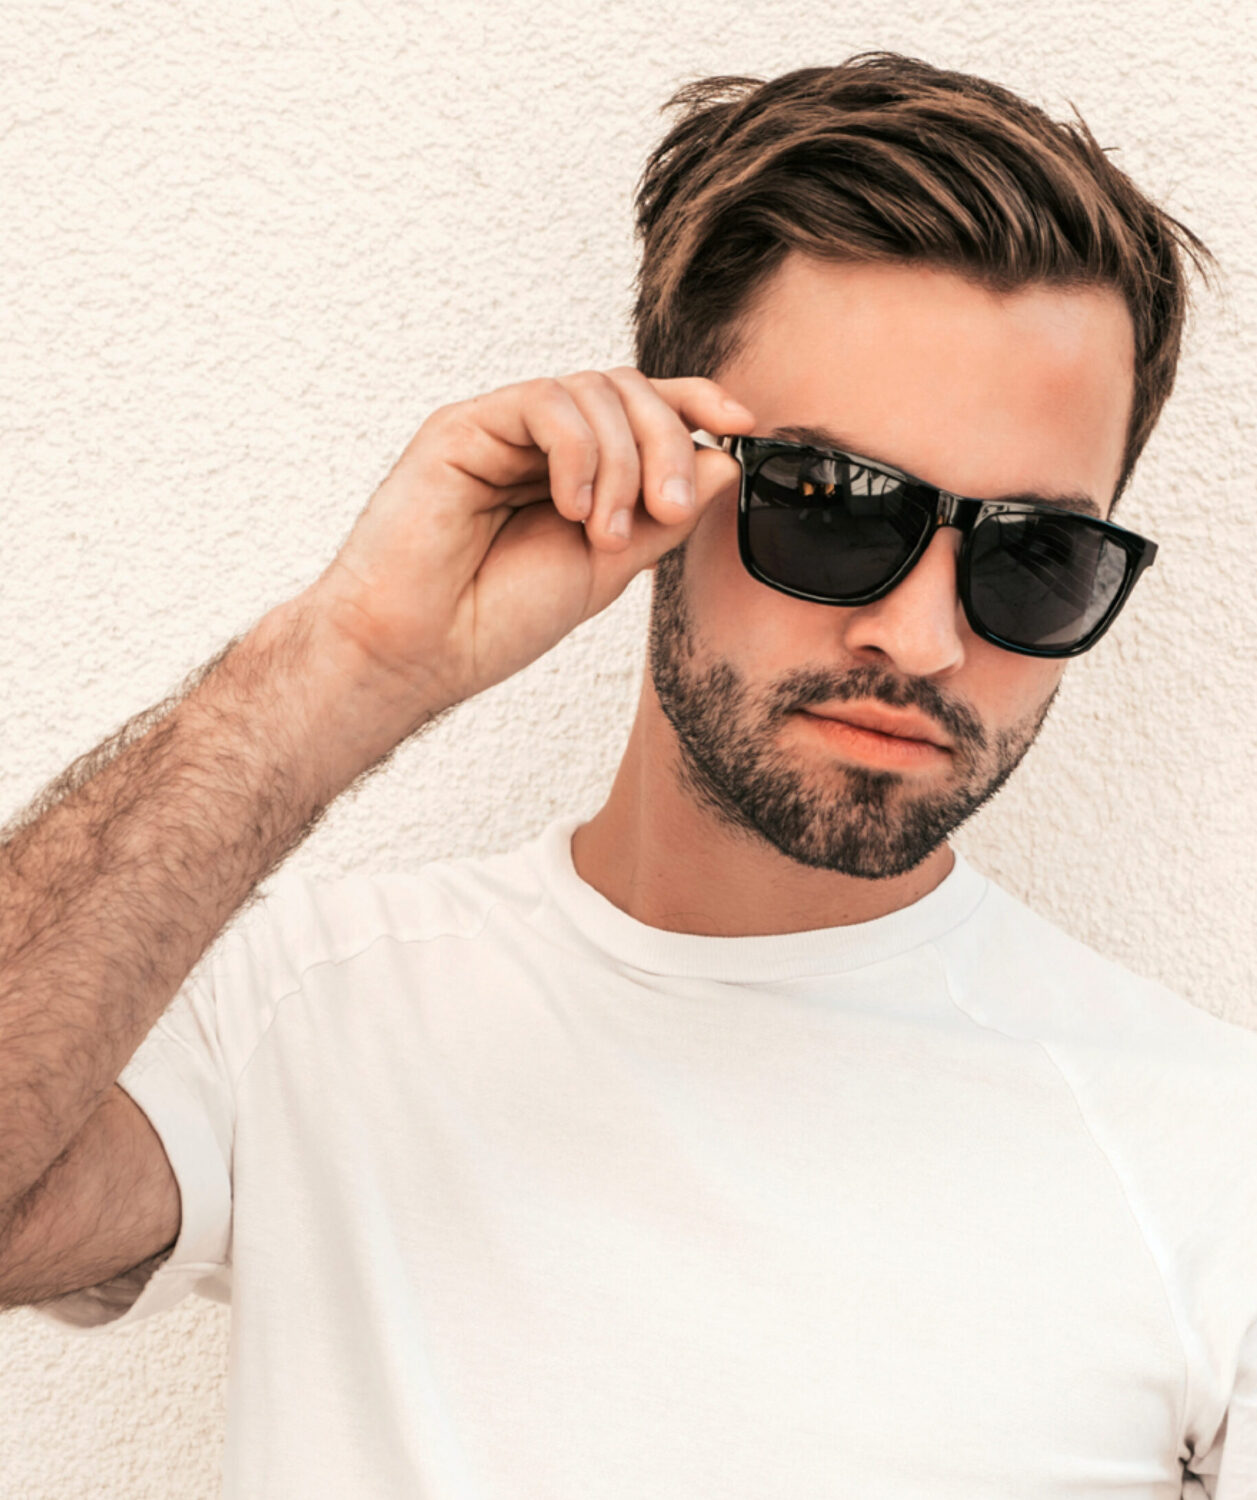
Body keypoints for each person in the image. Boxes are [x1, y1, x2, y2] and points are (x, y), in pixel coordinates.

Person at [0, 50, 1252, 1499]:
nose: (918, 641)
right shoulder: (312, 1012)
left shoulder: (1206, 1151)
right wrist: (345, 664)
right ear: (675, 463)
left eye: (1036, 553)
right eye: (834, 507)